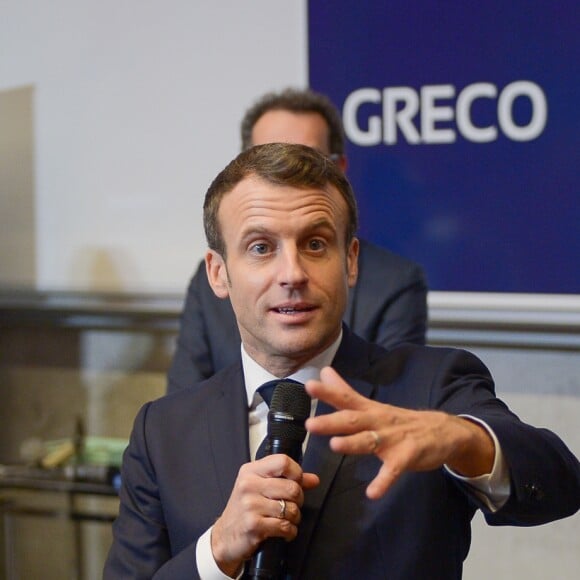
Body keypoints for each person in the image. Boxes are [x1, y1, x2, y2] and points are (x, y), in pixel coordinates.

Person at [105, 143, 579, 579]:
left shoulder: (431, 388)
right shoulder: (162, 430)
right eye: (260, 248)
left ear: (350, 261)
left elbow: (559, 485)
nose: (292, 274)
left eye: (315, 244)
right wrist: (217, 550)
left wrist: (462, 439)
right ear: (218, 272)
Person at [167, 88, 428, 392]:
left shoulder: (395, 281)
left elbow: (399, 399)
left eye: (308, 159)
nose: (292, 275)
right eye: (268, 157)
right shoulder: (208, 279)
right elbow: (184, 407)